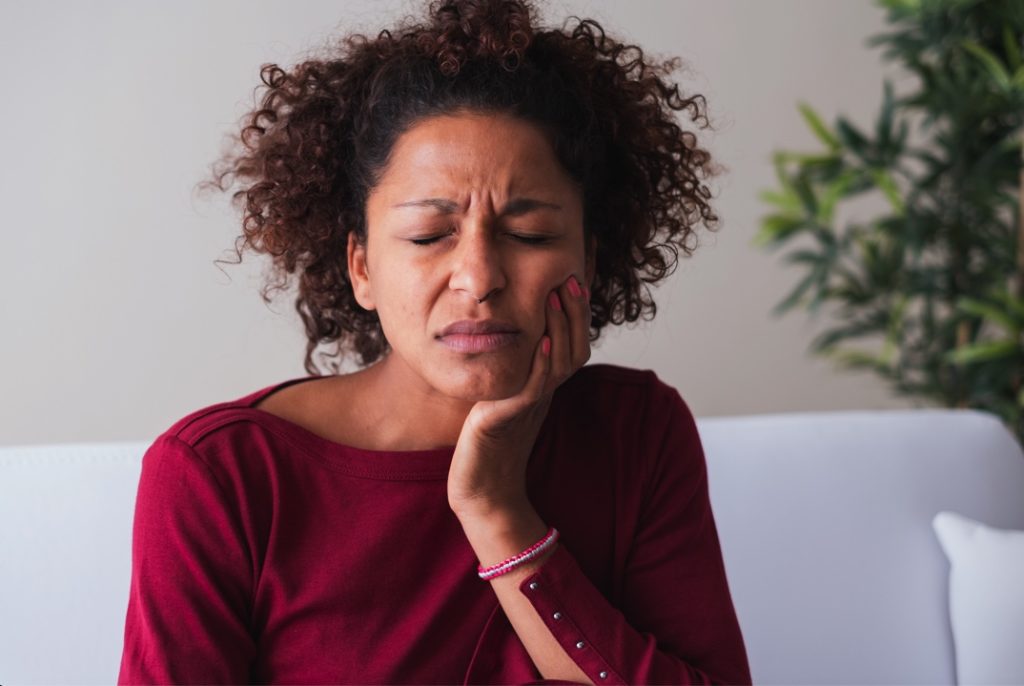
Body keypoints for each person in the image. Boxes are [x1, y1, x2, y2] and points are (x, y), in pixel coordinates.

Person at [117, 0, 752, 684]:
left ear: (589, 264)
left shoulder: (635, 434)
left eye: (530, 234)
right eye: (428, 236)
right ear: (361, 266)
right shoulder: (223, 477)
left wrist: (497, 508)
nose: (478, 279)